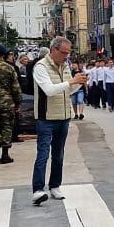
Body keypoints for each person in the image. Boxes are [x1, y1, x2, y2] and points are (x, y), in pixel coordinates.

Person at [31, 38, 88, 205]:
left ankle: (55, 185)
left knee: (59, 154)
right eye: (63, 53)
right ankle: (38, 189)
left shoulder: (65, 66)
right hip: (46, 118)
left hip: (63, 116)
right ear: (53, 50)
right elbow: (49, 90)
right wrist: (71, 81)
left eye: (68, 53)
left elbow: (68, 89)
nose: (66, 56)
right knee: (43, 154)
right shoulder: (41, 67)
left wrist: (79, 83)